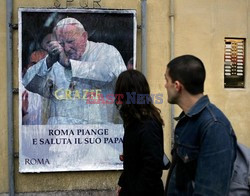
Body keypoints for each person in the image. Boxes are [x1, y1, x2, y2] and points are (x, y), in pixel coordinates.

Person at [22, 17, 126, 125]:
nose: (66, 48)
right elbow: (28, 83)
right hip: (63, 136)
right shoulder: (55, 59)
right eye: (61, 44)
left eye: (70, 41)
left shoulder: (106, 51)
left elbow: (106, 73)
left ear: (84, 37)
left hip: (100, 135)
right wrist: (48, 62)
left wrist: (70, 65)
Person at [164, 55, 237, 195]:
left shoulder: (214, 126)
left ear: (177, 86)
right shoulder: (188, 120)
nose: (165, 85)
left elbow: (211, 191)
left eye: (167, 80)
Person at [115, 70, 164, 196]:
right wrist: (123, 184)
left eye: (120, 93)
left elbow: (152, 167)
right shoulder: (134, 121)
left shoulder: (148, 124)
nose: (117, 99)